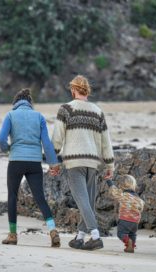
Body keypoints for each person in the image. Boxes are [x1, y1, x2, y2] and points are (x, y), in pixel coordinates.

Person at [52, 75, 114, 250]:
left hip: (75, 162)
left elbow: (57, 138)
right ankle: (79, 238)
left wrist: (52, 160)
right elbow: (105, 142)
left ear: (73, 89)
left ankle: (95, 236)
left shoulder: (66, 109)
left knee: (82, 201)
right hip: (93, 163)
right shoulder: (97, 111)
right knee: (88, 201)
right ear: (87, 90)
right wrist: (110, 165)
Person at [0, 88, 61, 247]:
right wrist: (53, 163)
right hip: (34, 162)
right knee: (40, 198)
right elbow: (46, 143)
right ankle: (53, 231)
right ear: (30, 103)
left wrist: (7, 149)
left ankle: (12, 235)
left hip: (16, 161)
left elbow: (1, 139)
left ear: (16, 102)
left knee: (12, 196)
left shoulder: (11, 115)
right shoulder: (38, 116)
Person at [107, 175, 145, 253]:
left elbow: (114, 191)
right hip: (135, 222)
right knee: (132, 234)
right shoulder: (139, 199)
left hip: (125, 219)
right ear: (133, 185)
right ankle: (131, 247)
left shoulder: (123, 195)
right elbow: (141, 208)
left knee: (121, 233)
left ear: (121, 186)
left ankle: (128, 242)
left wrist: (109, 181)